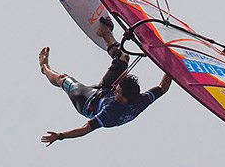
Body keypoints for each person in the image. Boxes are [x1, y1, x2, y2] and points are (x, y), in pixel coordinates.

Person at [39, 17, 173, 146]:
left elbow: (85, 129)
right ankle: (105, 32)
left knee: (63, 79)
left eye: (118, 92)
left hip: (87, 101)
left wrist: (60, 136)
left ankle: (44, 67)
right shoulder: (141, 100)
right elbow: (163, 87)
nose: (117, 91)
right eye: (118, 88)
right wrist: (172, 63)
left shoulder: (110, 113)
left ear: (124, 99)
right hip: (105, 90)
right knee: (123, 58)